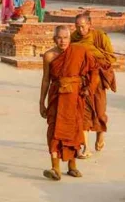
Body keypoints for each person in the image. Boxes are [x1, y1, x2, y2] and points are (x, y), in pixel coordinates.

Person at [39, 25, 99, 181]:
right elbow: (46, 80)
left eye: (65, 37)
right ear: (54, 39)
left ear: (70, 38)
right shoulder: (49, 56)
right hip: (56, 96)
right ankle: (55, 168)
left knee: (74, 129)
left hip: (74, 96)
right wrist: (41, 102)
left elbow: (94, 69)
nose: (62, 41)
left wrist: (89, 88)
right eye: (59, 38)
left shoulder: (79, 51)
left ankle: (72, 166)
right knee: (54, 131)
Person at [71, 13, 117, 156]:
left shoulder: (99, 36)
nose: (80, 30)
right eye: (77, 27)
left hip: (97, 79)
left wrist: (92, 58)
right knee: (83, 113)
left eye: (83, 26)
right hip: (81, 79)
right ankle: (86, 148)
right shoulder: (73, 38)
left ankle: (100, 134)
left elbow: (111, 58)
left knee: (100, 111)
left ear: (89, 25)